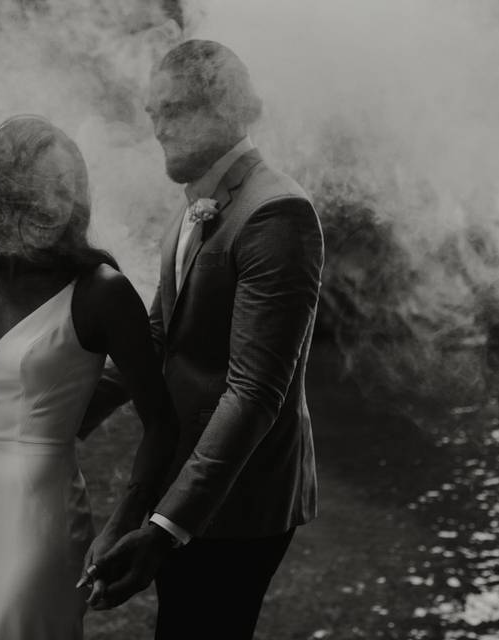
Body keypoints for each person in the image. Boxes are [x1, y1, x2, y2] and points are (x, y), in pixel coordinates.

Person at [79, 40, 325, 639]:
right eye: (153, 112)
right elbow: (160, 337)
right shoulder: (193, 205)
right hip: (186, 478)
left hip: (240, 499)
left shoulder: (277, 213)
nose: (159, 128)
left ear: (225, 108)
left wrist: (162, 529)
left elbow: (253, 393)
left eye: (175, 110)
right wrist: (59, 414)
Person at [0, 115, 179, 640]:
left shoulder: (102, 293)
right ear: (4, 193)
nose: (58, 199)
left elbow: (161, 422)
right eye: (43, 185)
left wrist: (124, 519)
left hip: (42, 517)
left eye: (69, 185)